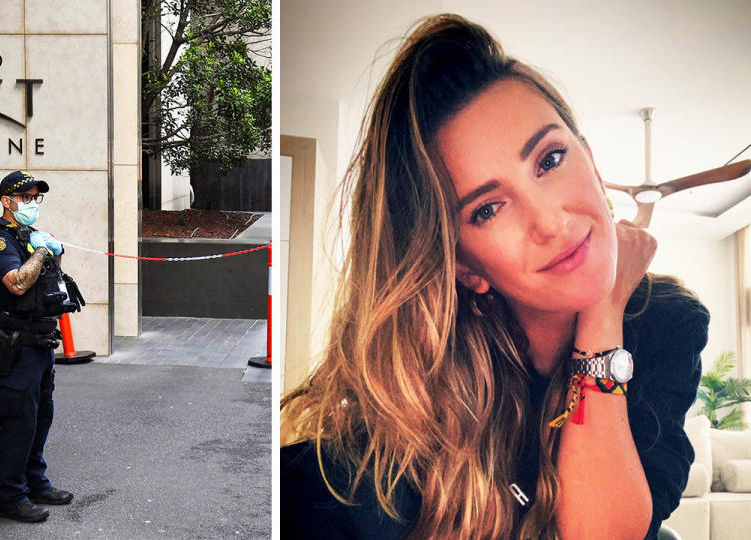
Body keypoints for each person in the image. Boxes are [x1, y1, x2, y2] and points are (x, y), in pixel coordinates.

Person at [280, 14, 709, 540]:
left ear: (592, 163)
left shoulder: (667, 320)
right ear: (463, 266)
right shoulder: (428, 371)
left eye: (550, 159)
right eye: (487, 209)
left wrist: (605, 311)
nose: (552, 222)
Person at [0, 170, 76, 522]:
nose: (33, 204)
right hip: (16, 341)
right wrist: (43, 251)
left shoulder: (31, 235)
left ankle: (36, 482)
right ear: (7, 201)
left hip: (41, 339)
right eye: (26, 198)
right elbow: (17, 283)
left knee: (41, 417)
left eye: (36, 198)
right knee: (19, 421)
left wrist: (51, 252)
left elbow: (50, 279)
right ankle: (11, 497)